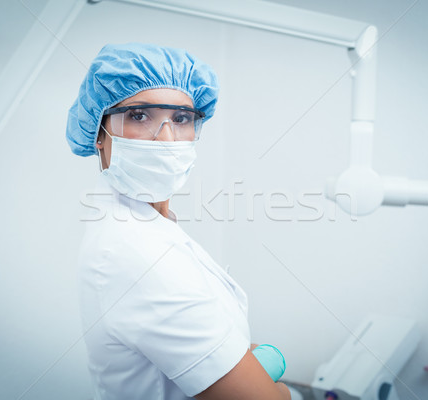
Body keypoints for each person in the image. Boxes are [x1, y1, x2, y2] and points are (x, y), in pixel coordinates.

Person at [66, 43, 290, 400]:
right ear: (98, 133)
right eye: (140, 115)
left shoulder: (151, 225)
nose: (167, 139)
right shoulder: (136, 252)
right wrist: (281, 390)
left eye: (182, 119)